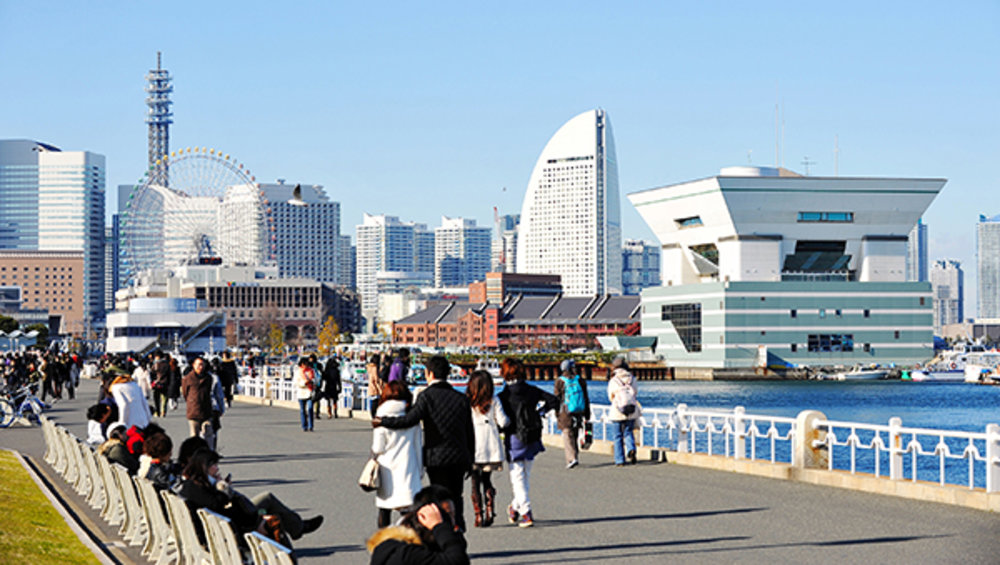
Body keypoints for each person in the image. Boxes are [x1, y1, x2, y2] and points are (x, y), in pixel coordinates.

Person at [373, 355, 475, 531]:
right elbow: (469, 433)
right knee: (456, 495)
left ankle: (445, 532)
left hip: (436, 457)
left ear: (429, 373)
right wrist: (470, 458)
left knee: (440, 497)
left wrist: (384, 422)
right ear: (448, 373)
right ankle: (458, 524)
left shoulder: (426, 397)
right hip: (459, 455)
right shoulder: (461, 399)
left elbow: (409, 420)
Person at [174, 449, 324, 547]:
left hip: (234, 518)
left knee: (268, 504)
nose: (218, 468)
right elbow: (218, 504)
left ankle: (298, 527)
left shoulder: (194, 483)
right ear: (204, 466)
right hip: (237, 523)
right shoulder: (197, 487)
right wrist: (224, 488)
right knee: (269, 507)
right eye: (214, 465)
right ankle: (298, 528)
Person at [497, 358, 558, 528]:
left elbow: (500, 419)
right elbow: (554, 400)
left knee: (517, 476)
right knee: (525, 475)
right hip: (532, 435)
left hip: (514, 437)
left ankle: (526, 512)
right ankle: (515, 507)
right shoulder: (531, 390)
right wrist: (540, 412)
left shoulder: (503, 396)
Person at [366, 484, 470, 565]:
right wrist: (439, 526)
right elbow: (458, 561)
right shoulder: (407, 553)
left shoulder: (425, 543)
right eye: (447, 515)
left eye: (453, 514)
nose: (452, 521)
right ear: (426, 516)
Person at [371, 380, 422, 528]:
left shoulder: (381, 414)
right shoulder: (411, 415)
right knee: (407, 513)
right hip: (408, 466)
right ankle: (408, 545)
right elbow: (418, 445)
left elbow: (378, 447)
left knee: (384, 509)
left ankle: (384, 544)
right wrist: (420, 470)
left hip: (387, 468)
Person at [466, 370, 508, 527]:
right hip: (491, 445)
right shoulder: (494, 400)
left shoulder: (468, 402)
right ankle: (490, 507)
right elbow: (503, 421)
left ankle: (479, 514)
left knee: (474, 481)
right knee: (487, 479)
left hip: (474, 445)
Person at [553, 359, 591, 469]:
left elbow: (557, 398)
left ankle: (571, 458)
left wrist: (557, 413)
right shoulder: (580, 380)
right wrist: (587, 413)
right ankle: (575, 456)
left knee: (567, 434)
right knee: (575, 433)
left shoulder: (560, 381)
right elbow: (586, 397)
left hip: (566, 412)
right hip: (579, 411)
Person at [607, 355, 641, 467]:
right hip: (631, 410)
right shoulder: (632, 379)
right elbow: (635, 392)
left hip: (617, 411)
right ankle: (631, 449)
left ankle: (620, 460)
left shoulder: (614, 380)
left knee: (617, 436)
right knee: (628, 432)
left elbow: (610, 396)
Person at [181, 357, 217, 448]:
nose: (200, 367)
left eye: (202, 364)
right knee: (194, 435)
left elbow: (209, 391)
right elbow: (185, 393)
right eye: (198, 365)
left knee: (208, 432)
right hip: (193, 410)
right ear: (193, 365)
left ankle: (209, 452)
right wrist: (191, 401)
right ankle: (195, 453)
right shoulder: (188, 378)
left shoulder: (208, 378)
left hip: (206, 410)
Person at [110, 365, 152, 430]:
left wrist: (122, 422)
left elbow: (123, 405)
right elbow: (144, 403)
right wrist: (148, 419)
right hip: (143, 420)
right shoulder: (135, 385)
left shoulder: (116, 387)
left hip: (130, 422)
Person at [293, 357, 316, 432]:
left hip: (309, 392)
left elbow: (316, 379)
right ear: (301, 364)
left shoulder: (311, 371)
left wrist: (312, 382)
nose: (306, 365)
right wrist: (304, 383)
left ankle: (311, 425)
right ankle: (304, 425)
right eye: (304, 364)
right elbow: (296, 382)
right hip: (301, 392)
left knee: (310, 409)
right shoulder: (298, 372)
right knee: (303, 410)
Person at [150, 352, 171, 417]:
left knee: (156, 399)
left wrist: (152, 382)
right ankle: (163, 411)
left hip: (156, 384)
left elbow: (152, 374)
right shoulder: (167, 365)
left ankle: (157, 411)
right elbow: (169, 374)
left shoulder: (155, 365)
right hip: (165, 383)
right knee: (164, 398)